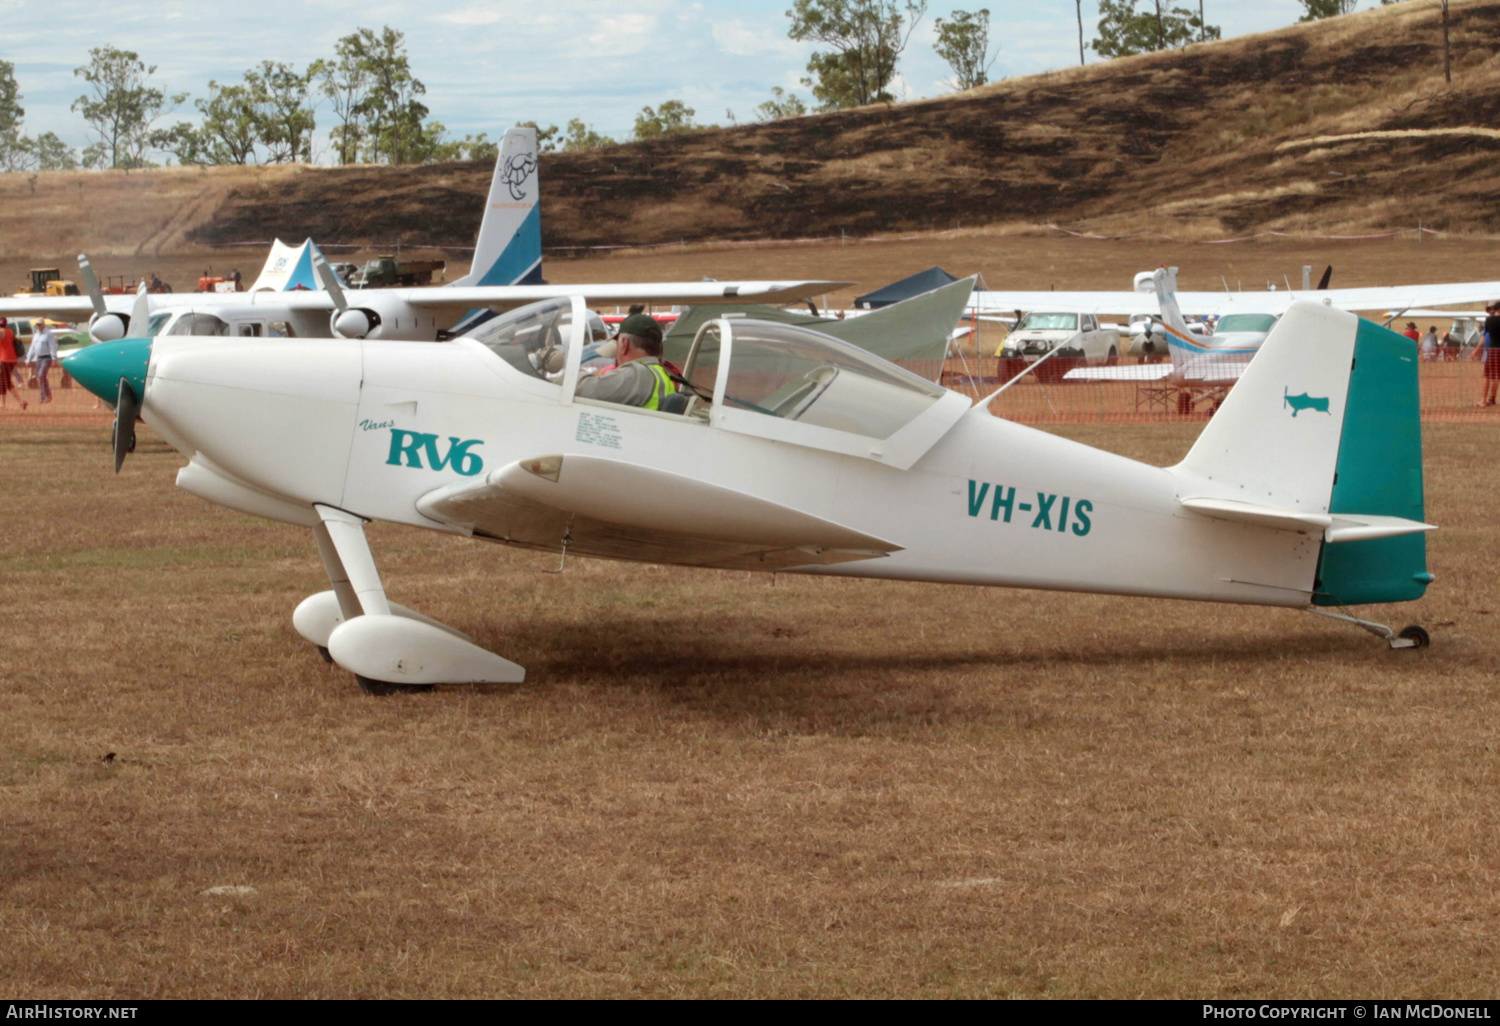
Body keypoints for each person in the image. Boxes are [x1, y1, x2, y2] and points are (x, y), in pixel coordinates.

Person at [575, 312, 676, 409]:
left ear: (624, 343)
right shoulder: (661, 373)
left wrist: (572, 375)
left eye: (617, 343)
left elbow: (585, 389)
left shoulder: (638, 374)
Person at [27, 319, 58, 405]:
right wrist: (28, 358)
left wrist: (54, 358)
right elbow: (32, 348)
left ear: (43, 324)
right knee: (41, 377)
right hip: (39, 358)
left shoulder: (49, 334)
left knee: (41, 375)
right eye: (37, 325)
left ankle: (43, 396)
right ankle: (46, 396)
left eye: (40, 324)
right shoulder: (36, 335)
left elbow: (52, 346)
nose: (38, 326)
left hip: (47, 357)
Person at [0, 317, 23, 410]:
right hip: (12, 359)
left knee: (5, 382)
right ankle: (3, 403)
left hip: (4, 359)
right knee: (4, 381)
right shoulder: (10, 332)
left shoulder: (1, 332)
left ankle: (19, 401)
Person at [1482, 304, 1500, 407]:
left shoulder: (1489, 320)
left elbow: (1486, 333)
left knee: (1488, 375)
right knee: (1497, 377)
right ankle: (1492, 399)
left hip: (1493, 349)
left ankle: (1484, 400)